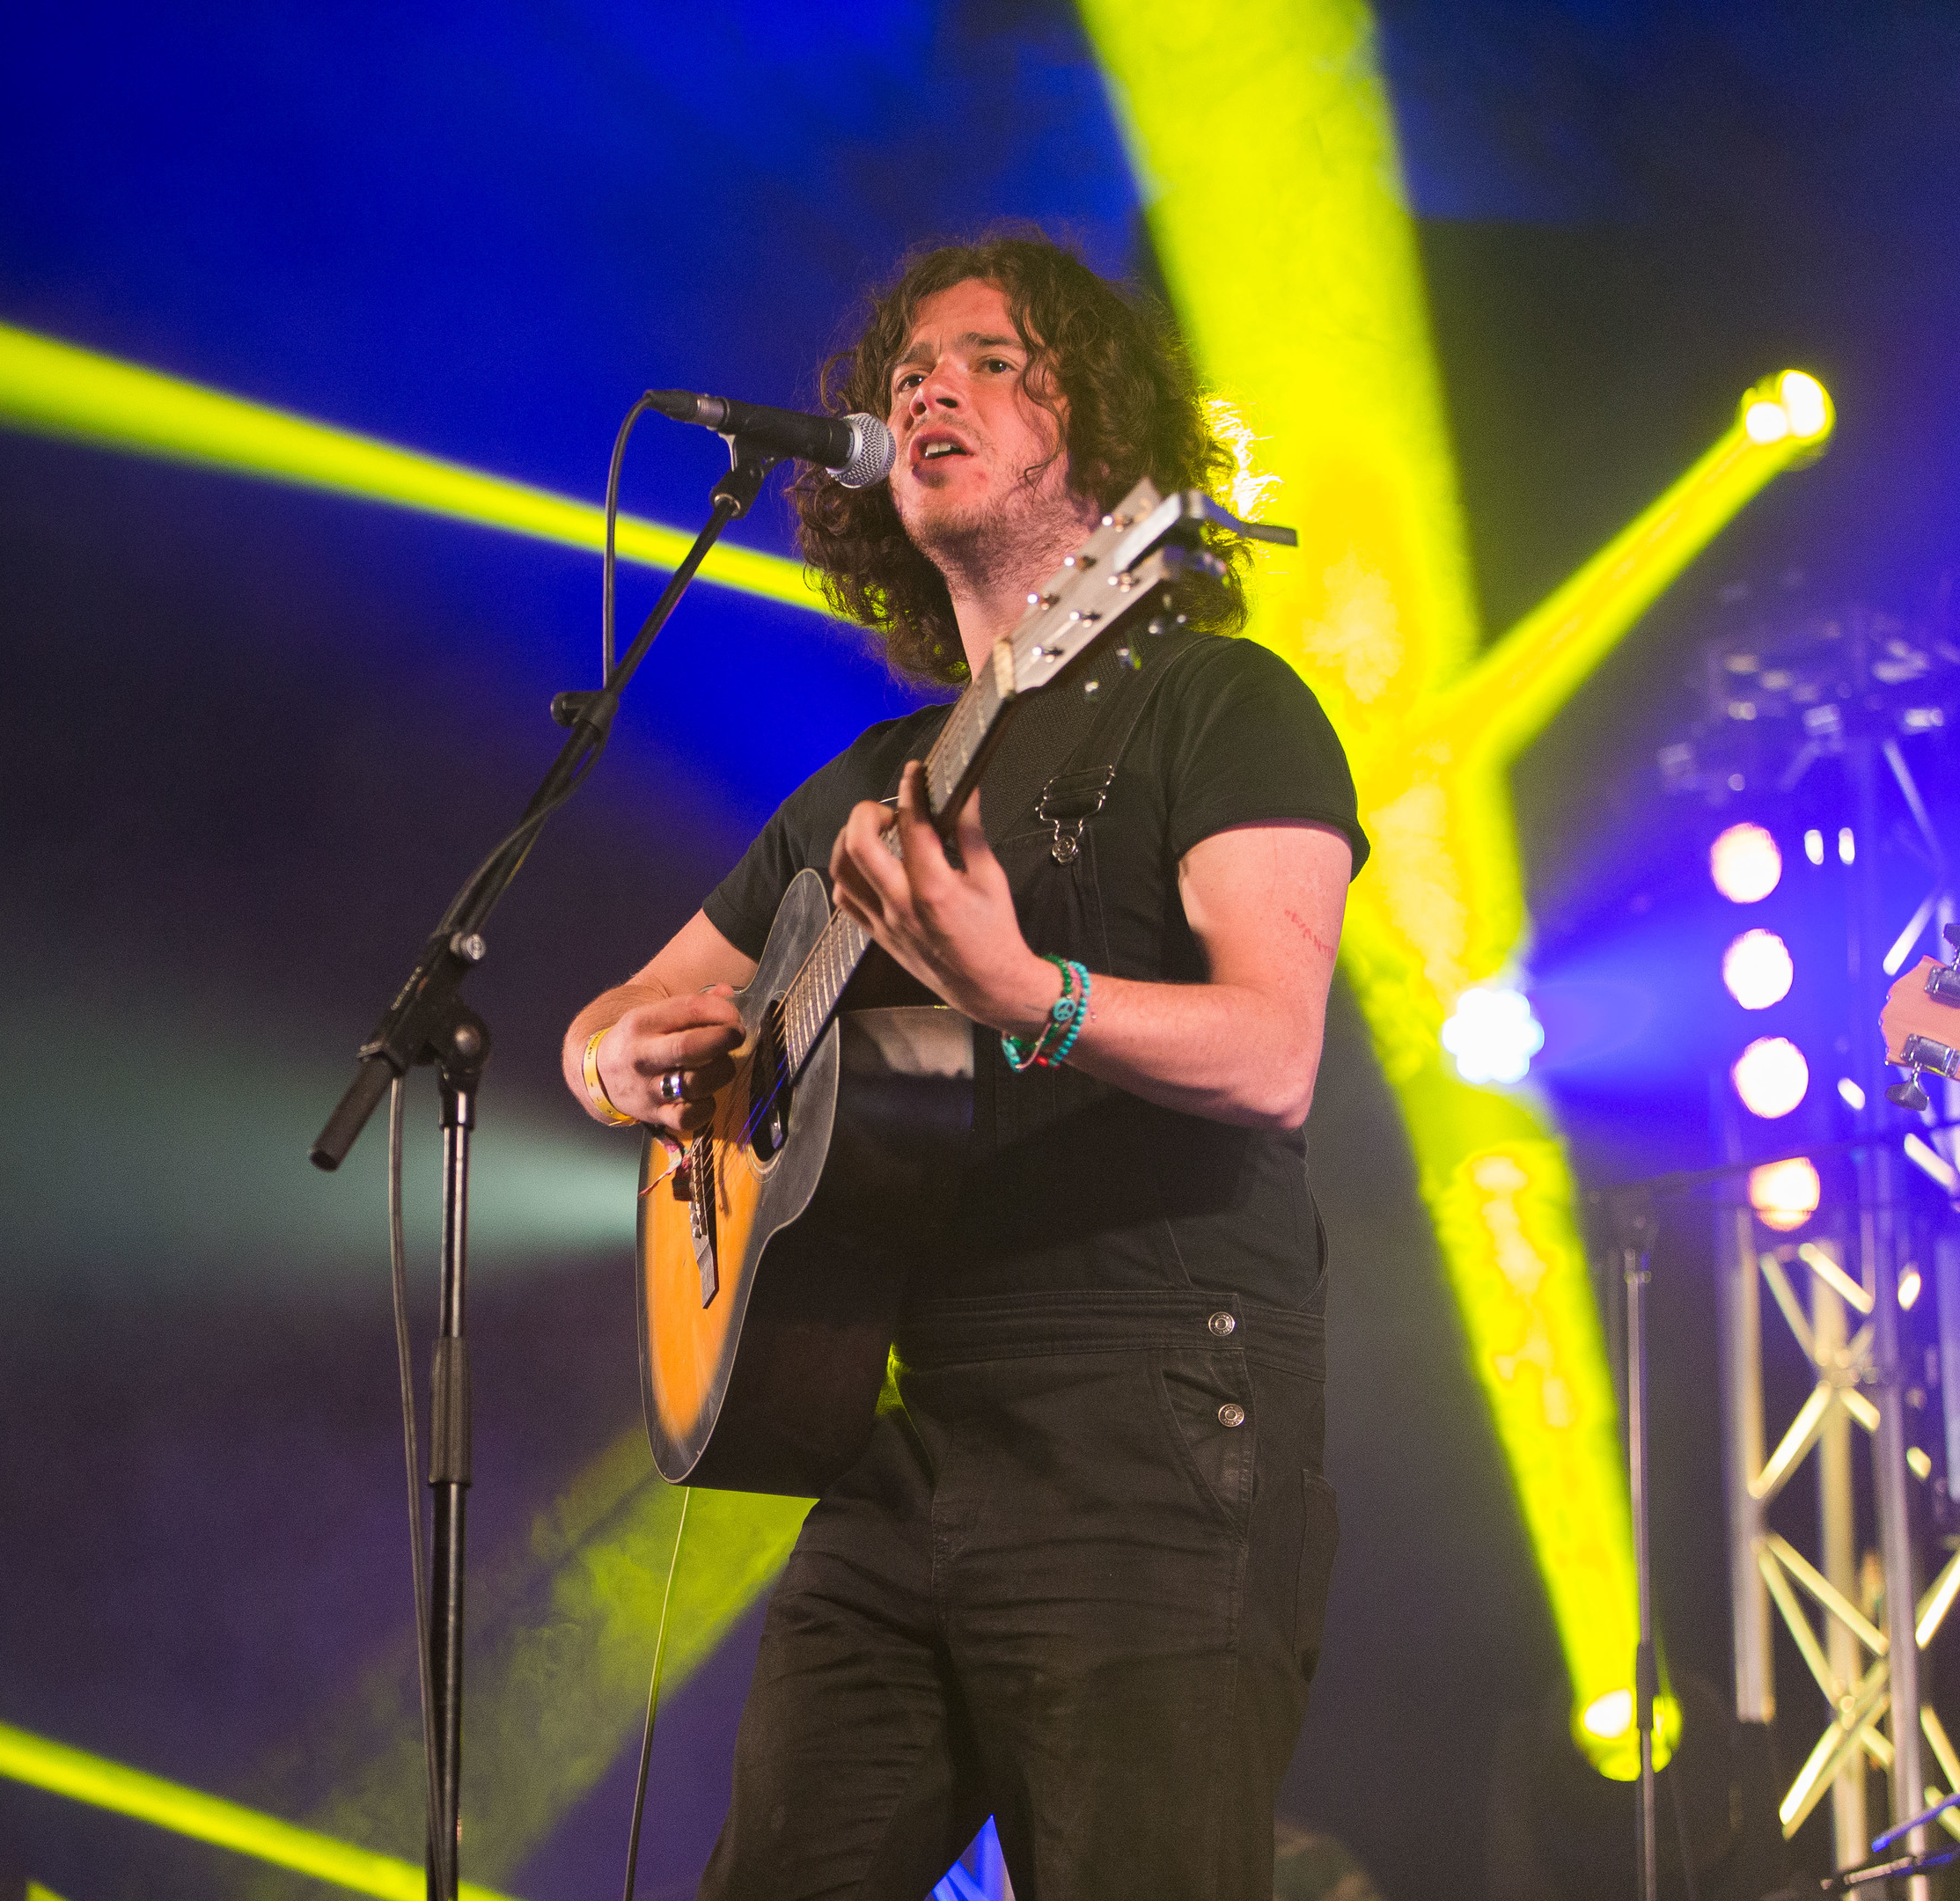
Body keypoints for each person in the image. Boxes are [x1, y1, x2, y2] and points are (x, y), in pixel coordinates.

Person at [562, 231, 1367, 1900]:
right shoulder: (872, 777)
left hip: (1158, 1423)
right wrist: (611, 1057)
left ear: (1111, 446)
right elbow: (631, 1012)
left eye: (994, 359)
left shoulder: (1221, 705)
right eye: (908, 370)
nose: (930, 386)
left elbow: (1276, 1055)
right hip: (909, 1436)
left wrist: (1025, 986)